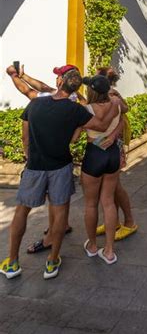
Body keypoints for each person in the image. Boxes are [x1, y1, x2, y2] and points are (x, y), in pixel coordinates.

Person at [0, 70, 117, 280]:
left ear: (60, 82)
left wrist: (29, 153)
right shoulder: (75, 110)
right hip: (61, 166)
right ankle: (52, 262)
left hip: (34, 167)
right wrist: (114, 107)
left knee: (21, 211)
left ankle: (12, 262)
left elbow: (25, 136)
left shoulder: (34, 104)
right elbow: (102, 125)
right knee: (60, 210)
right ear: (77, 89)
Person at [6, 64, 81, 254]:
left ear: (62, 80)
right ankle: (56, 245)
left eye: (58, 76)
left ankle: (43, 244)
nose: (54, 79)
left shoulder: (40, 102)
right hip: (62, 161)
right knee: (60, 204)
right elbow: (43, 87)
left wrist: (14, 76)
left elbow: (29, 90)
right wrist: (25, 74)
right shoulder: (74, 101)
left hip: (38, 164)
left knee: (25, 208)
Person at [80, 75, 123, 265]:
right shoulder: (116, 103)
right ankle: (110, 251)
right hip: (112, 153)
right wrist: (113, 135)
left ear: (91, 91)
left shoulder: (85, 110)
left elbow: (74, 136)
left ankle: (92, 246)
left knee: (91, 204)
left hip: (94, 154)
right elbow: (122, 120)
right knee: (108, 202)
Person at [95, 67, 138, 242]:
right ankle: (114, 221)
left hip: (112, 145)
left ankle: (129, 222)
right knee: (109, 187)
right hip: (107, 145)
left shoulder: (111, 95)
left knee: (115, 186)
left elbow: (121, 114)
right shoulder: (110, 94)